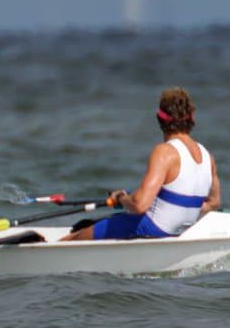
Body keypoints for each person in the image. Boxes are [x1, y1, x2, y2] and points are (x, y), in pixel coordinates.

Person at [64, 87, 219, 241]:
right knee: (97, 223)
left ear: (160, 120)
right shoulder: (207, 156)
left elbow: (139, 205)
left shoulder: (164, 152)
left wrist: (121, 197)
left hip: (152, 229)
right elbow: (213, 203)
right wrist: (179, 208)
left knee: (74, 237)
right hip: (179, 233)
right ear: (192, 118)